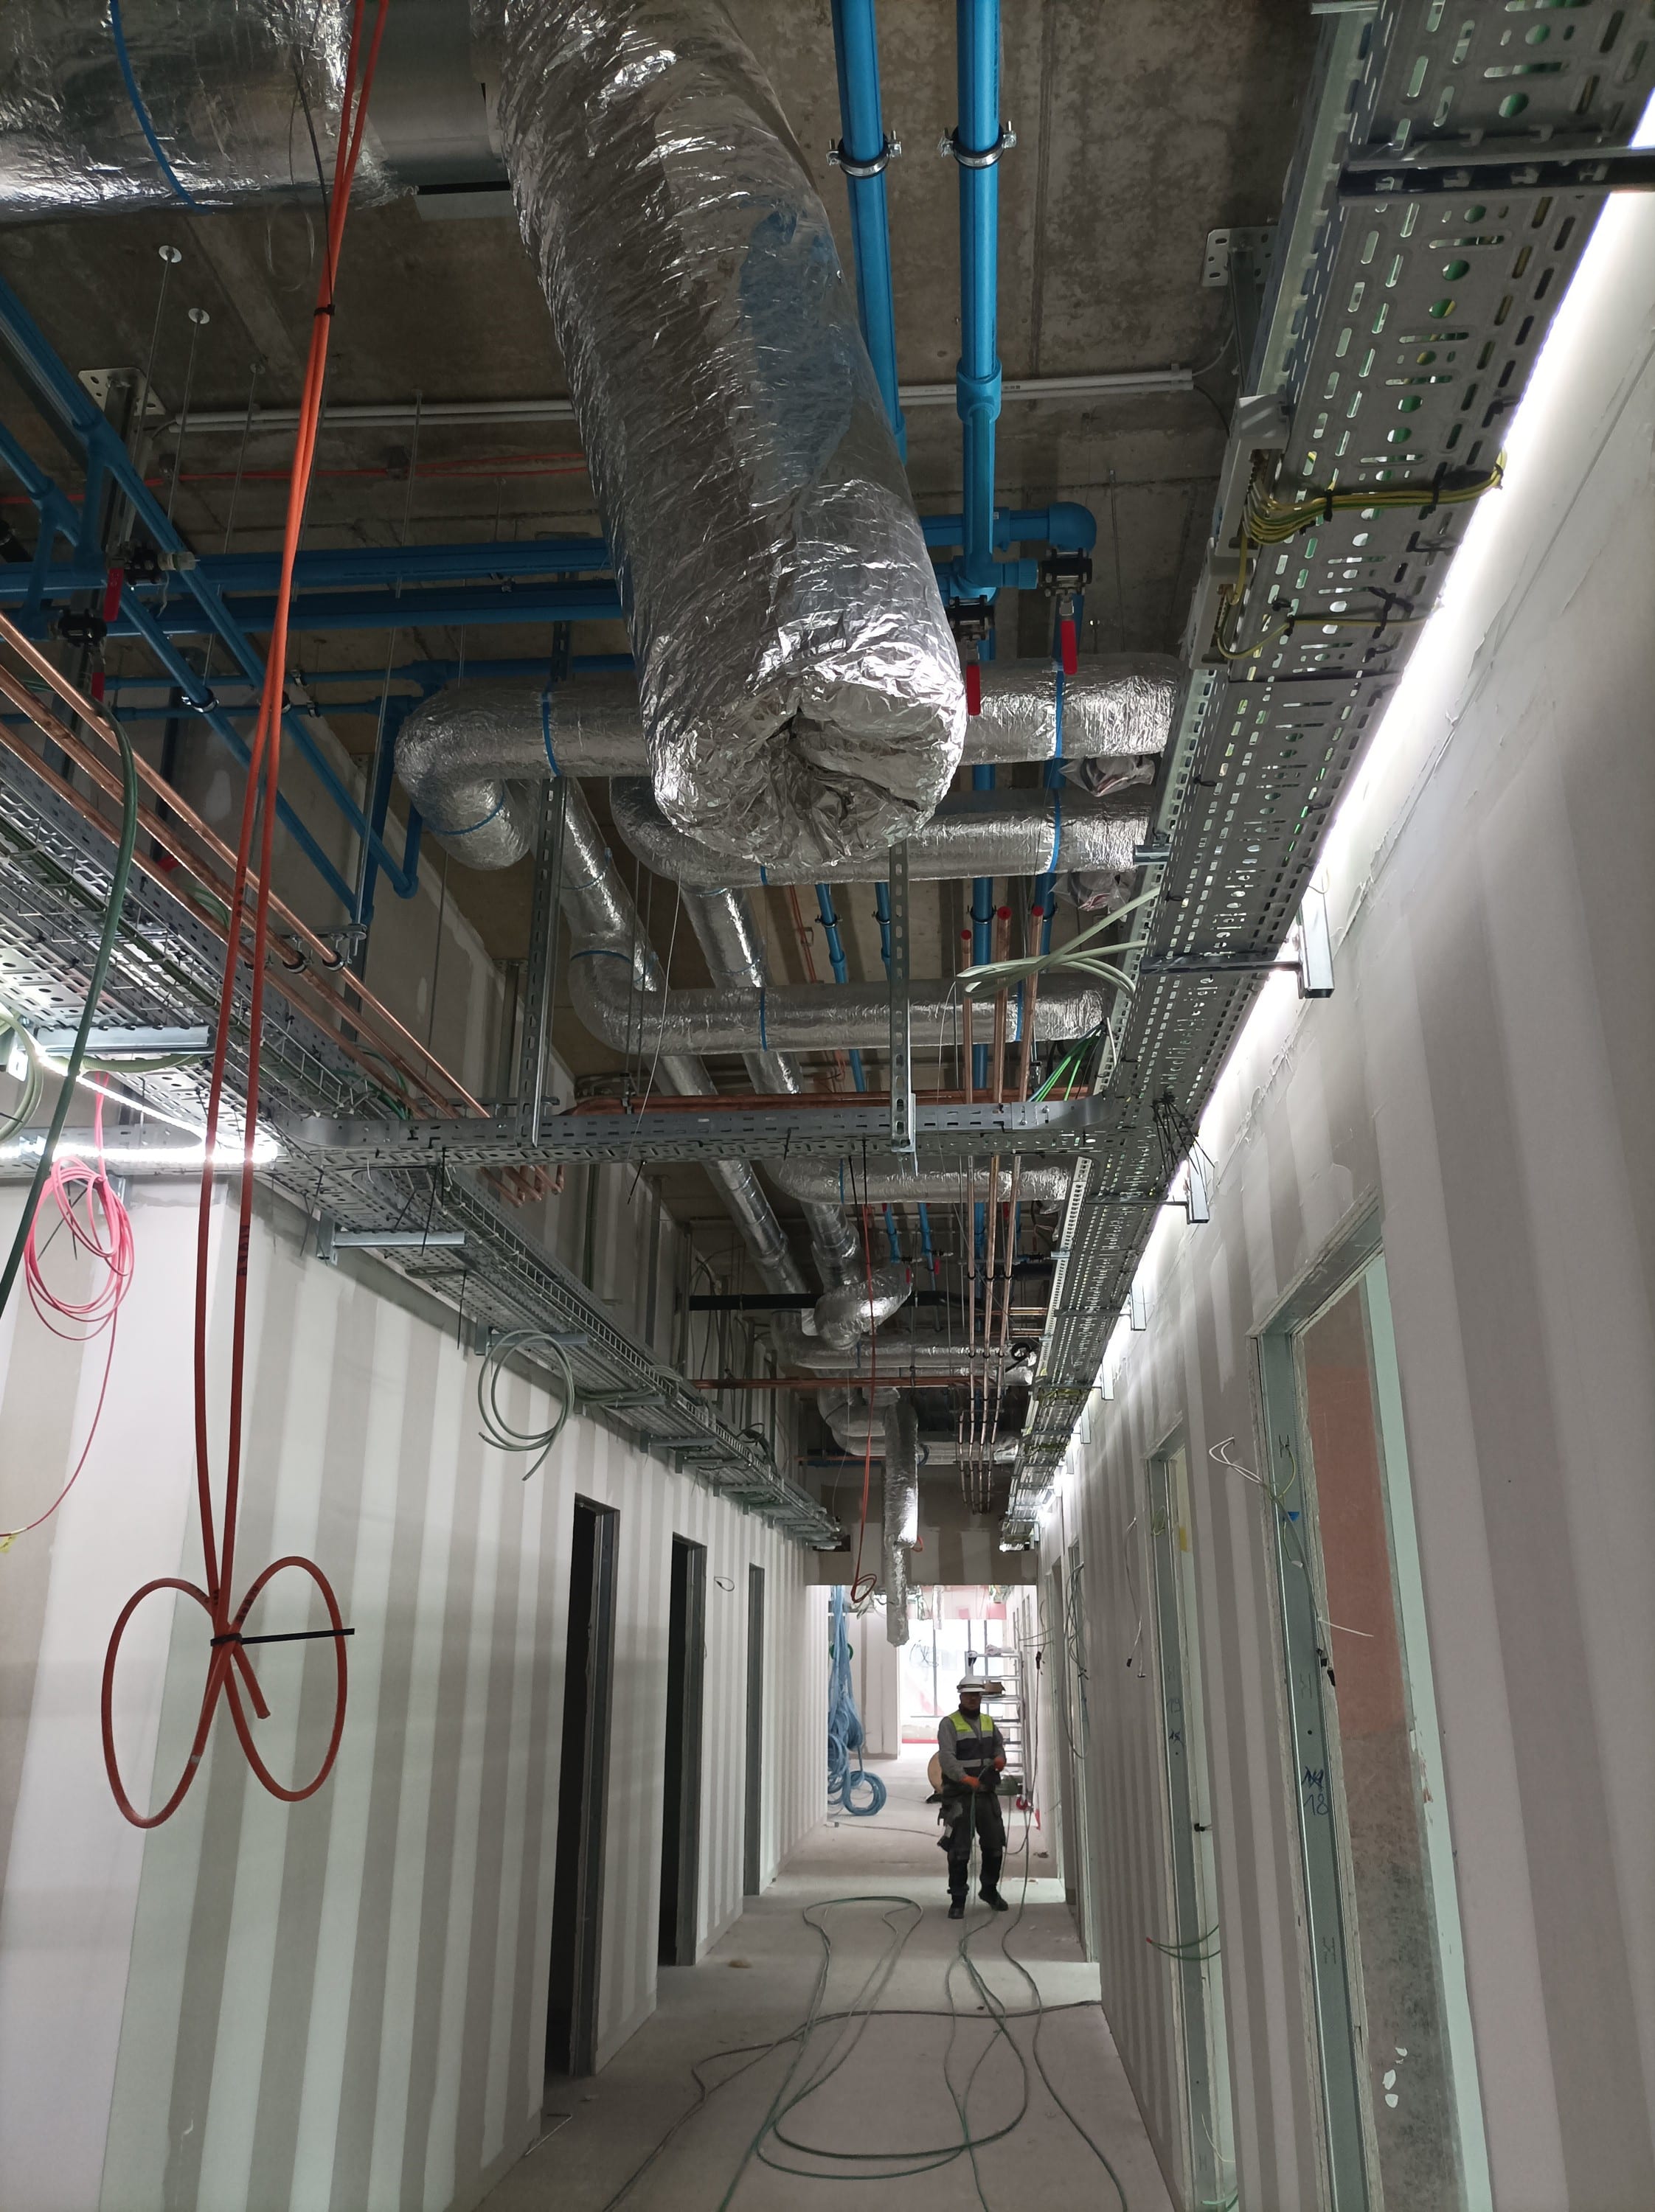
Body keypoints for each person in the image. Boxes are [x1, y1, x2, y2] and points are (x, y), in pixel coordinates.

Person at [936, 1675, 1008, 1918]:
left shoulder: (988, 1722)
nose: (972, 1699)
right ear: (961, 1696)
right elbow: (946, 1757)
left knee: (994, 1846)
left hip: (986, 1794)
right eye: (968, 1695)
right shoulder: (949, 1724)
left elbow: (998, 1745)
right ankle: (958, 1899)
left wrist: (1000, 1758)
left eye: (976, 1695)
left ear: (981, 1697)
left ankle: (989, 1890)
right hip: (960, 1796)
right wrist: (964, 1778)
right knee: (959, 1851)